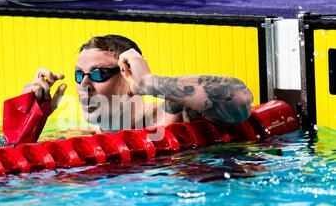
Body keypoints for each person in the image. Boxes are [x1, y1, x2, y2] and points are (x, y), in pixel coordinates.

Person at [23, 35, 253, 133]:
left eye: (98, 73)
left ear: (129, 75)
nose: (84, 85)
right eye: (78, 75)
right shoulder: (81, 135)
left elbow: (241, 100)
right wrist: (30, 116)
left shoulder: (172, 114)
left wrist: (148, 82)